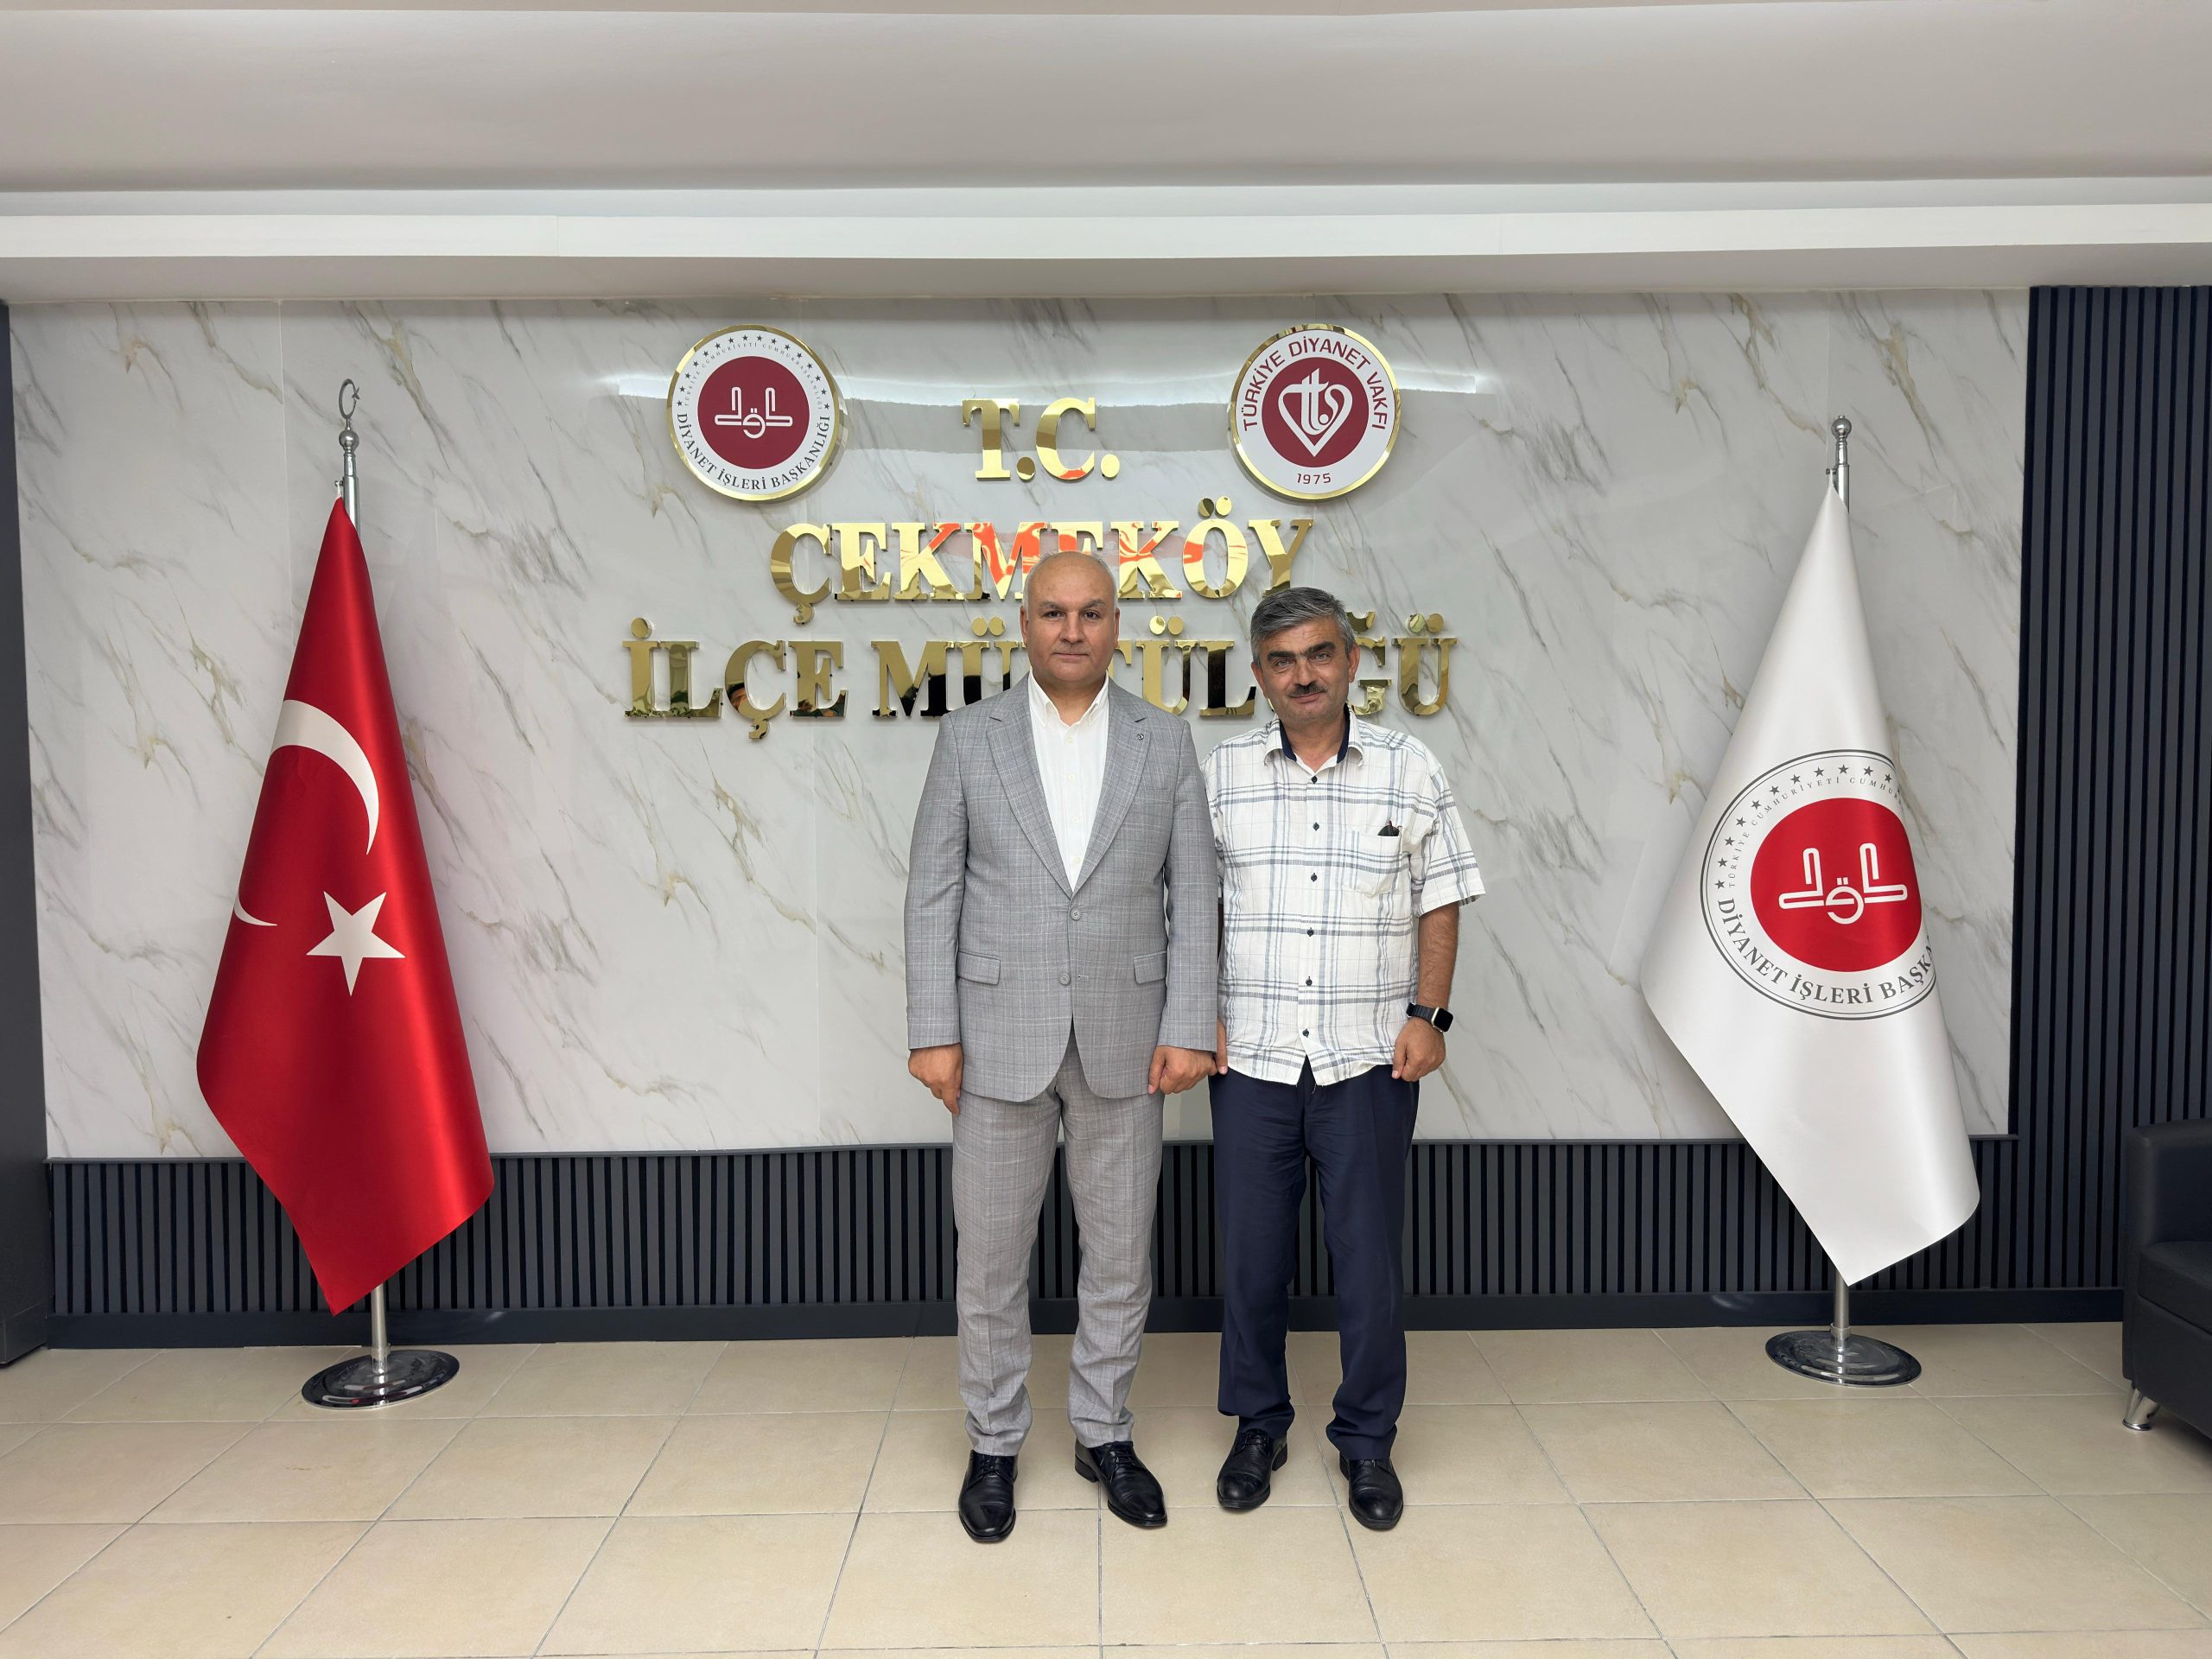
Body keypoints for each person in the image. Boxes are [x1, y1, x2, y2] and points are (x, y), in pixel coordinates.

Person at [905, 550, 1218, 1542]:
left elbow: (1195, 895)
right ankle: (993, 1443)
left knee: (1120, 1255)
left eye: (1090, 613)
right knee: (991, 1258)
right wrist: (933, 1031)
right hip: (994, 1040)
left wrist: (1188, 1024)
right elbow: (933, 892)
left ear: (1117, 624)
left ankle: (1103, 1432)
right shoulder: (969, 738)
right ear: (1025, 625)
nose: (1072, 630)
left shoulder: (1165, 741)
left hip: (1132, 1041)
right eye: (1053, 613)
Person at [1202, 585, 1484, 1530]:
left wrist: (1429, 1015)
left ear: (1352, 661)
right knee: (1250, 1261)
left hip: (1369, 1060)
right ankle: (1258, 1425)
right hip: (1251, 1059)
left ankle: (1366, 1441)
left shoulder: (1410, 768)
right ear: (1259, 674)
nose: (1303, 675)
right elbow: (1190, 908)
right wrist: (1197, 1018)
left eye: (1319, 654)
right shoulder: (1223, 773)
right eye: (1282, 661)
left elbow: (1439, 896)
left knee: (1367, 1263)